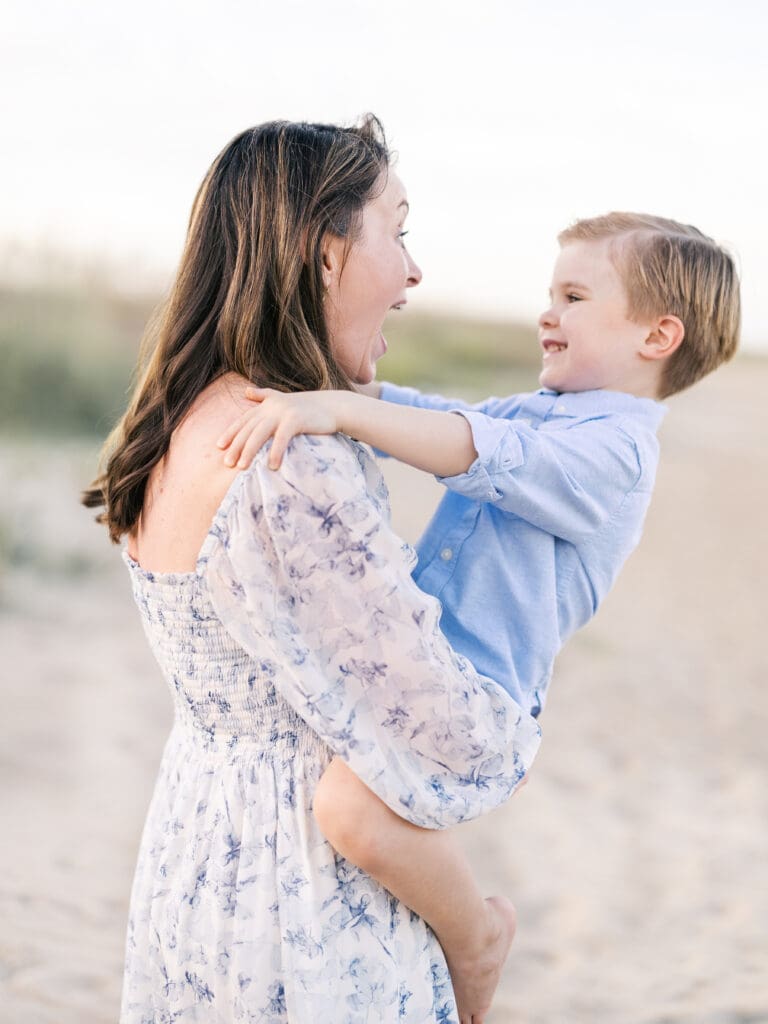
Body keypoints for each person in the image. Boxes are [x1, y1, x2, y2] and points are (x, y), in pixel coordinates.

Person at [82, 116, 542, 1024]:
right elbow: (439, 723)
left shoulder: (182, 423)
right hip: (304, 898)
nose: (413, 274)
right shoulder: (290, 459)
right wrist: (524, 686)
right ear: (326, 253)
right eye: (398, 231)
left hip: (194, 855)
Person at [216, 211, 741, 1005]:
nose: (547, 314)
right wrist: (353, 387)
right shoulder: (544, 411)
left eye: (573, 296)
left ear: (657, 336)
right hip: (423, 668)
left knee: (350, 808)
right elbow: (439, 414)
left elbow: (472, 448)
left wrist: (342, 411)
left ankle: (477, 937)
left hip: (477, 699)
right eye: (549, 294)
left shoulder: (616, 452)